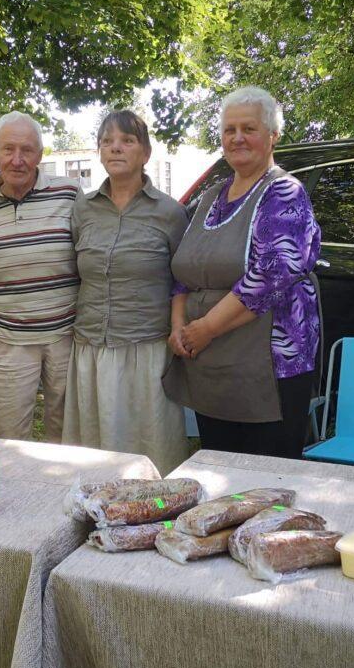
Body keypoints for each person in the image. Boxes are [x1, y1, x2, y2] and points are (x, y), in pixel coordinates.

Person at [163, 86, 321, 459]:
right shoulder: (211, 198)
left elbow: (270, 275)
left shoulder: (284, 193)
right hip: (211, 362)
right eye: (229, 130)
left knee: (268, 474)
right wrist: (178, 328)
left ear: (273, 135)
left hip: (271, 365)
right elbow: (182, 271)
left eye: (248, 128)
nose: (237, 138)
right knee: (220, 465)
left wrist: (205, 328)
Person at [63, 110, 189, 473]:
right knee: (94, 449)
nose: (115, 148)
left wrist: (178, 327)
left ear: (145, 153)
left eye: (127, 141)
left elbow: (182, 280)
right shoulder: (83, 209)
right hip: (91, 347)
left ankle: (153, 503)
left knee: (148, 445)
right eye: (107, 141)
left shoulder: (169, 212)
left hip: (145, 349)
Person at [0, 111, 80, 441]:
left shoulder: (70, 194)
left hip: (66, 337)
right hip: (6, 341)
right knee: (10, 437)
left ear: (40, 155)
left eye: (27, 150)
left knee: (69, 436)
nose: (17, 160)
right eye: (8, 149)